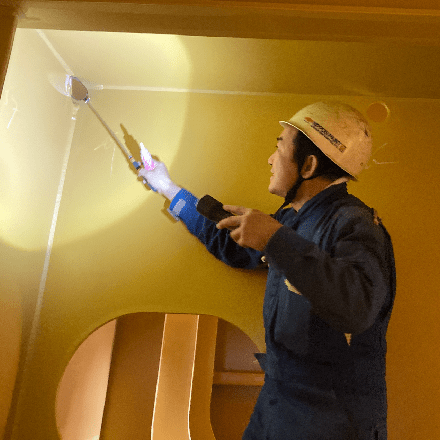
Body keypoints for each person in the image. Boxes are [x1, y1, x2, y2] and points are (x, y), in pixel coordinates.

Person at [139, 101, 396, 440]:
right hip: (280, 403)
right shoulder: (292, 219)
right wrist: (167, 187)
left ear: (308, 165)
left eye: (280, 148)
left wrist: (274, 238)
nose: (271, 159)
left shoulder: (355, 223)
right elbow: (233, 243)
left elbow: (357, 306)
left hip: (333, 420)